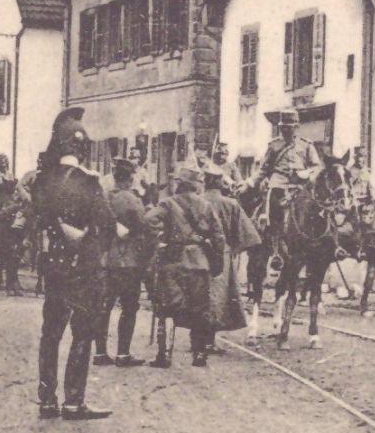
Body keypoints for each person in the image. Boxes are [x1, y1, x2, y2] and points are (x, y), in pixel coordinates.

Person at [30, 121, 110, 420]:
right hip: (83, 269)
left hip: (54, 266)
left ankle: (47, 400)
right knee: (82, 332)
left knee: (50, 333)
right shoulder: (89, 182)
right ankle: (74, 401)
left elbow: (36, 220)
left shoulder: (42, 181)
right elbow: (107, 223)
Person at [147, 164, 226, 368]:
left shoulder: (167, 204)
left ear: (179, 184)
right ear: (195, 186)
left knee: (168, 307)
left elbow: (148, 220)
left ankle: (164, 355)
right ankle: (199, 354)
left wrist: (161, 237)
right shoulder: (206, 206)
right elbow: (218, 237)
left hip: (173, 261)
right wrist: (216, 263)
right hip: (199, 263)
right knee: (200, 310)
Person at [97, 157, 153, 367]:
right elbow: (143, 226)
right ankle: (122, 353)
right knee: (129, 307)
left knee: (104, 306)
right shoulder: (131, 199)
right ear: (130, 178)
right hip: (128, 260)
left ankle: (100, 352)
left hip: (105, 259)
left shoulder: (103, 198)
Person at [203, 159, 262, 338]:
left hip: (198, 254)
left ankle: (199, 339)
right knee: (219, 296)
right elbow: (249, 236)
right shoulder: (230, 204)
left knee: (201, 296)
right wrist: (234, 249)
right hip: (222, 255)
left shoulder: (196, 201)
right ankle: (210, 339)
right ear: (219, 182)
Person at [254, 108, 322, 234]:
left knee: (314, 208)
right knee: (272, 209)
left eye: (289, 127)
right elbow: (263, 169)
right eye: (283, 127)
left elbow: (317, 166)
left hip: (300, 183)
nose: (285, 130)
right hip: (278, 182)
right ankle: (274, 244)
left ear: (297, 127)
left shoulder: (306, 144)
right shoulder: (274, 145)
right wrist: (249, 182)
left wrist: (308, 173)